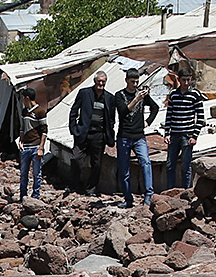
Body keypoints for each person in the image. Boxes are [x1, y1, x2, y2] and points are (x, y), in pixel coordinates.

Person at [114, 68, 159, 208]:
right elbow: (123, 111)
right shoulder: (120, 95)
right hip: (124, 136)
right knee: (124, 170)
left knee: (146, 162)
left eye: (137, 82)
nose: (135, 84)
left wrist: (147, 122)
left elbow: (155, 107)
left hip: (139, 136)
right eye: (132, 81)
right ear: (127, 80)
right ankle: (128, 199)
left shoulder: (142, 94)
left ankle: (148, 195)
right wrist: (136, 99)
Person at [68, 69, 117, 194]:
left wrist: (109, 133)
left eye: (103, 82)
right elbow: (74, 111)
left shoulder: (109, 98)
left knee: (96, 163)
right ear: (94, 81)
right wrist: (74, 129)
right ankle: (75, 185)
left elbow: (111, 118)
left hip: (99, 134)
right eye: (99, 81)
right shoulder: (84, 93)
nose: (101, 84)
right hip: (83, 133)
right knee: (76, 159)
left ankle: (91, 188)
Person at [162, 71, 207, 190]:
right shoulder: (174, 95)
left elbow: (200, 117)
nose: (186, 83)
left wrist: (195, 136)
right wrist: (166, 133)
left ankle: (186, 191)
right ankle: (170, 190)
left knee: (185, 166)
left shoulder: (195, 95)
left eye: (188, 80)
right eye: (184, 80)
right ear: (179, 80)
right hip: (174, 134)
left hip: (187, 136)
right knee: (170, 165)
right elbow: (169, 115)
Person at [15, 86, 47, 201]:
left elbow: (44, 132)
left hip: (35, 146)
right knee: (23, 173)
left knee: (36, 173)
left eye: (23, 98)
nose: (22, 101)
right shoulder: (24, 111)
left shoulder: (40, 112)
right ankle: (23, 196)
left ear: (27, 98)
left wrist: (41, 148)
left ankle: (35, 196)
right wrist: (21, 140)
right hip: (25, 146)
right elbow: (23, 128)